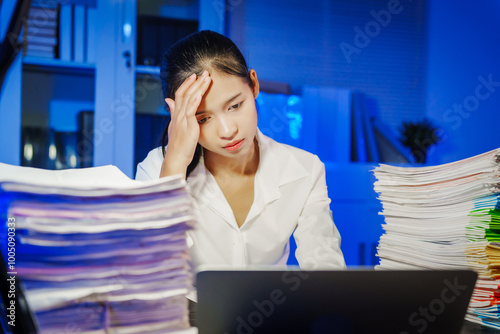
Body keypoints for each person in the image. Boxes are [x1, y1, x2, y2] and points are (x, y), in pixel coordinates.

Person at [136, 29, 345, 290]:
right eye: (203, 118)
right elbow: (150, 275)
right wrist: (176, 164)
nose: (227, 131)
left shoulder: (305, 169)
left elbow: (325, 268)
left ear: (254, 85)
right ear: (177, 115)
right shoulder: (157, 168)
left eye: (235, 106)